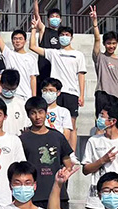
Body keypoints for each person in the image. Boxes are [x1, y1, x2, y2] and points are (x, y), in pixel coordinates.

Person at [29, 16, 86, 150]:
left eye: (67, 35)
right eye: (62, 35)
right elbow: (32, 47)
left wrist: (82, 95)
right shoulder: (53, 53)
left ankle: (71, 153)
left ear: (71, 37)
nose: (64, 37)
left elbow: (81, 75)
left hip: (72, 93)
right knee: (51, 122)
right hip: (54, 94)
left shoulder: (78, 55)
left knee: (71, 125)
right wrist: (33, 29)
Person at [82, 100, 118, 209]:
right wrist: (102, 160)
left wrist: (117, 186)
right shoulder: (93, 141)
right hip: (96, 202)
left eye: (102, 116)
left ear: (113, 121)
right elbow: (86, 170)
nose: (99, 119)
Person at [0, 6, 38, 100]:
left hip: (26, 96)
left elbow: (33, 78)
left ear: (25, 41)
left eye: (20, 39)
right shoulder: (8, 53)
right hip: (10, 94)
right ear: (12, 41)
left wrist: (34, 97)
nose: (17, 41)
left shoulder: (31, 57)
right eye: (15, 39)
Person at [89, 6, 118, 110]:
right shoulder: (100, 57)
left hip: (116, 96)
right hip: (102, 94)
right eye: (108, 43)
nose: (111, 46)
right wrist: (95, 22)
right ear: (104, 44)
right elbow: (97, 39)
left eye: (114, 43)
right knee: (101, 119)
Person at [31, 0, 63, 87]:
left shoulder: (63, 34)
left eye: (57, 17)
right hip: (43, 71)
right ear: (48, 19)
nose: (55, 18)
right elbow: (36, 15)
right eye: (52, 17)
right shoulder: (44, 30)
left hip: (57, 71)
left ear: (60, 20)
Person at [0, 69, 30, 136]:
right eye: (6, 88)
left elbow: (27, 125)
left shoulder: (22, 103)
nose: (9, 91)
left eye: (12, 89)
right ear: (0, 83)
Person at [40, 78, 73, 144]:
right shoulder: (37, 110)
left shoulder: (64, 112)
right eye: (45, 90)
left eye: (51, 90)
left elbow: (67, 134)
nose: (47, 93)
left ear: (58, 93)